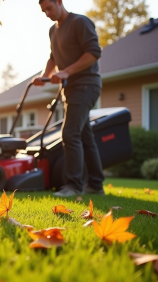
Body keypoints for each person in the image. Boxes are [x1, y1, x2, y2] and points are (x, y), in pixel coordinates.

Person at [33, 0, 105, 196]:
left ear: (59, 2)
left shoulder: (80, 22)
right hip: (70, 89)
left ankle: (73, 185)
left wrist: (66, 72)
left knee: (70, 133)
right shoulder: (53, 30)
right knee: (84, 135)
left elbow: (93, 53)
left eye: (49, 7)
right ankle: (96, 185)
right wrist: (45, 75)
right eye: (43, 10)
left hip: (86, 84)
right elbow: (53, 57)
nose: (47, 13)